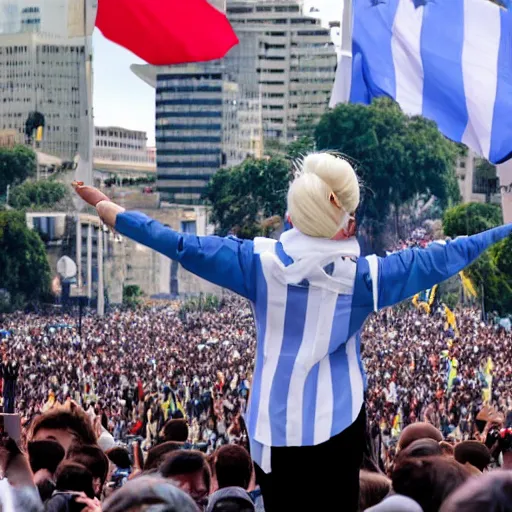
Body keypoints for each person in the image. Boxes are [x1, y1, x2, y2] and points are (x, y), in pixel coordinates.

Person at [74, 152, 512, 511]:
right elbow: (444, 256)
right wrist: (504, 229)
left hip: (273, 422)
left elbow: (180, 245)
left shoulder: (255, 264)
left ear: (291, 218)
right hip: (339, 419)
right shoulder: (366, 279)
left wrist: (111, 211)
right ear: (350, 224)